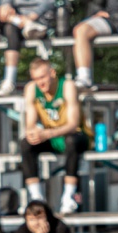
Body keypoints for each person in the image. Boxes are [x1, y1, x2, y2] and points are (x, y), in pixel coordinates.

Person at [20, 58, 87, 215]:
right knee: (26, 143)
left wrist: (47, 133)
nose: (40, 83)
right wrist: (32, 133)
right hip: (50, 136)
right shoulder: (31, 89)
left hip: (73, 135)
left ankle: (69, 196)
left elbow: (73, 124)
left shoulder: (67, 86)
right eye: (36, 79)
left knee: (72, 142)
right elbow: (30, 122)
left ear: (52, 73)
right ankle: (36, 197)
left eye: (42, 77)